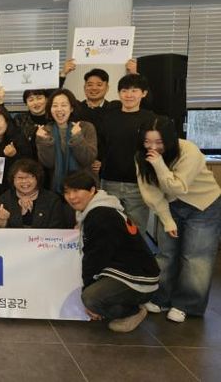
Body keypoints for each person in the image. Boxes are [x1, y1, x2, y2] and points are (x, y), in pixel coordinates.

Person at [136, 118, 221, 322]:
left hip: (203, 204)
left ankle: (186, 305)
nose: (153, 147)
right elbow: (151, 192)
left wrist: (159, 165)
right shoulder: (141, 156)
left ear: (170, 139)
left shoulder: (189, 150)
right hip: (171, 206)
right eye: (147, 142)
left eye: (159, 142)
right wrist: (167, 220)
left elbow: (178, 187)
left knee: (196, 257)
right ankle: (161, 298)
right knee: (166, 253)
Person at [64, 170, 160, 333]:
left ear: (92, 190)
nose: (71, 197)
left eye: (76, 191)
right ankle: (126, 301)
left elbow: (96, 257)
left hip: (138, 277)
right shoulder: (98, 209)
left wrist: (87, 292)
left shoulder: (101, 216)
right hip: (129, 270)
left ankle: (132, 312)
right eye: (67, 192)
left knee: (91, 298)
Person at [99, 73, 157, 234]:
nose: (129, 95)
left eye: (134, 90)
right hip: (109, 181)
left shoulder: (150, 119)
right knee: (109, 228)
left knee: (136, 231)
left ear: (143, 93)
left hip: (138, 184)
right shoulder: (108, 117)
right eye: (124, 90)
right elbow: (101, 145)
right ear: (119, 93)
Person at [36, 89, 97, 194]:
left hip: (84, 188)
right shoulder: (45, 131)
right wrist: (44, 141)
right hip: (57, 188)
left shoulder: (86, 127)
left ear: (71, 108)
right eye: (55, 106)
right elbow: (48, 164)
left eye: (64, 105)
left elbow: (88, 160)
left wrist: (77, 137)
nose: (59, 109)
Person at [0, 159, 73, 229]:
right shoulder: (5, 198)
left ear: (37, 178)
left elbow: (57, 230)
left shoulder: (52, 199)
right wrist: (2, 222)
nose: (24, 181)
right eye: (20, 178)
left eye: (29, 177)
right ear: (13, 180)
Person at [0, 106, 32, 203]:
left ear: (7, 122)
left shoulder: (19, 139)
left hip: (17, 191)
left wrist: (14, 155)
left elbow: (30, 166)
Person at [13, 88, 50, 154]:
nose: (35, 103)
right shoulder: (19, 119)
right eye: (31, 100)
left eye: (39, 98)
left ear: (46, 100)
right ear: (26, 103)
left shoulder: (53, 118)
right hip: (26, 158)